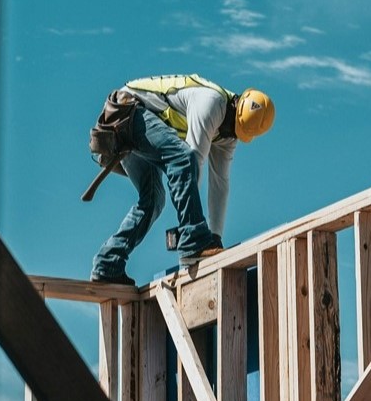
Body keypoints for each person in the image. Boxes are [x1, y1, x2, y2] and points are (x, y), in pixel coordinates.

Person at [90, 73, 275, 285]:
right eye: (232, 127)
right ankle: (193, 240)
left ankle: (108, 263)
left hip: (136, 123)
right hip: (127, 111)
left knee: (153, 201)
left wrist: (215, 238)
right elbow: (191, 162)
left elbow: (220, 184)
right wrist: (194, 236)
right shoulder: (211, 103)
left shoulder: (228, 134)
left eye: (236, 132)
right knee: (183, 157)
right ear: (235, 105)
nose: (229, 134)